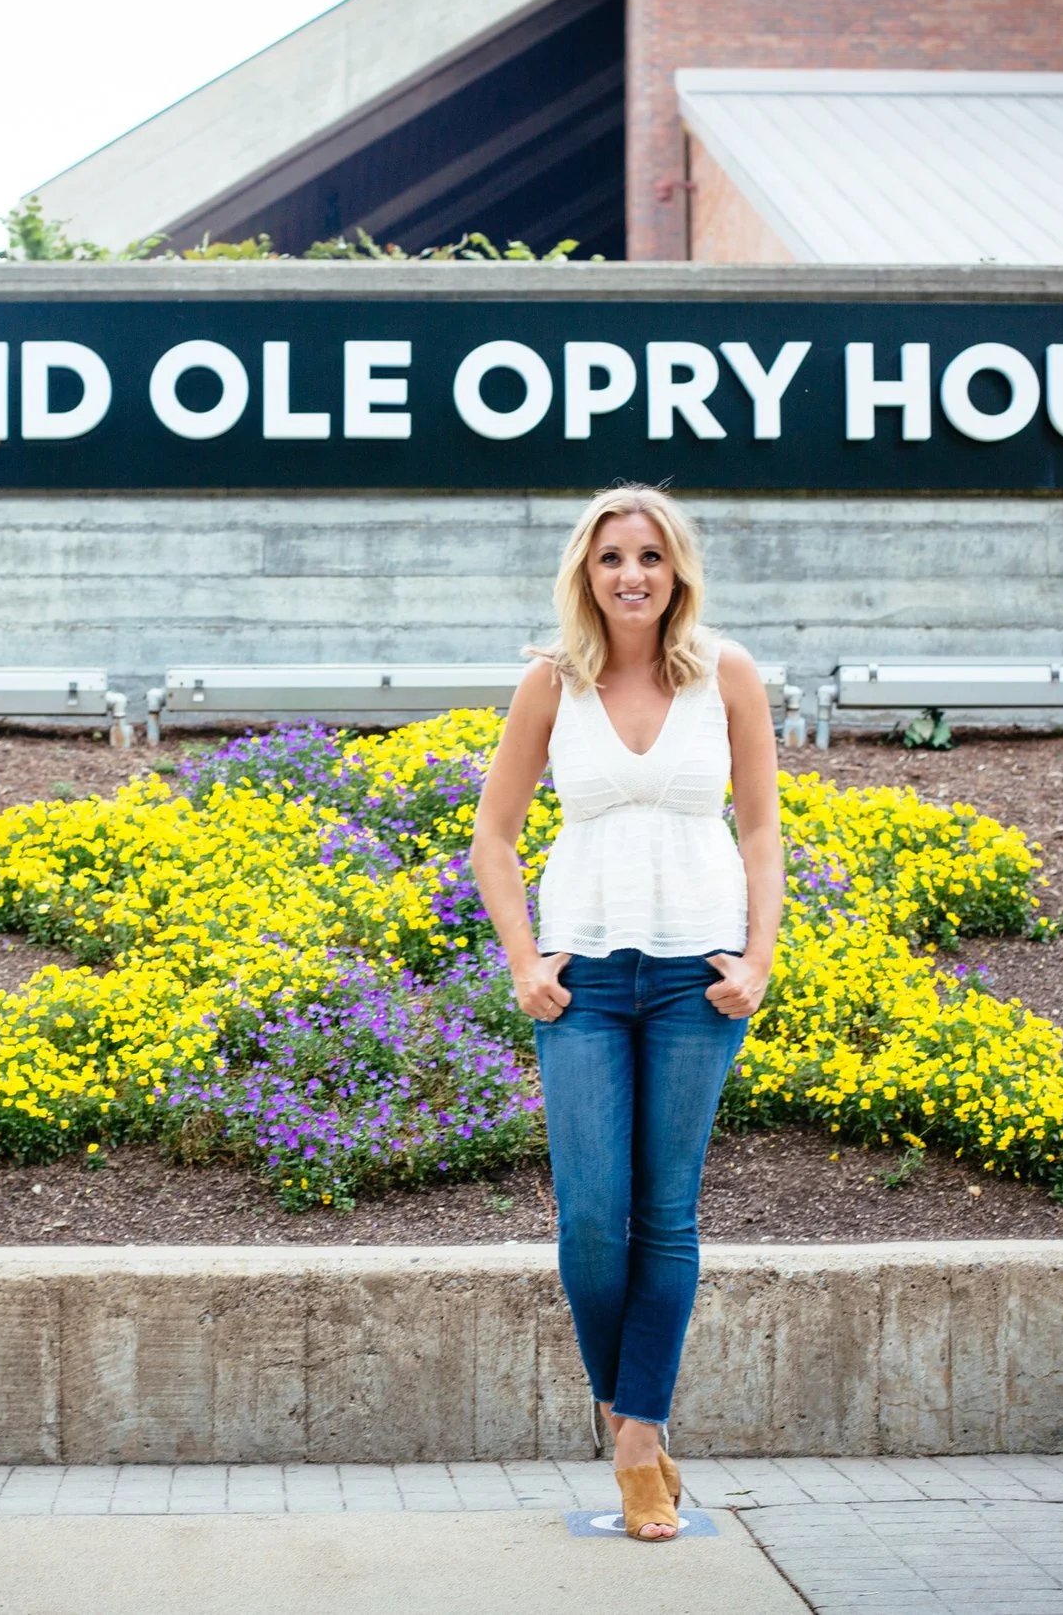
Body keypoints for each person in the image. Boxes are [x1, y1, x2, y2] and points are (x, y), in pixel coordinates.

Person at [469, 485, 783, 1542]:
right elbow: (494, 837)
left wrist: (759, 956)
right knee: (594, 1220)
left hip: (700, 980)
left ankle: (637, 1439)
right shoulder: (551, 683)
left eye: (650, 556)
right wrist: (523, 961)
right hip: (584, 981)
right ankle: (628, 1404)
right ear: (585, 573)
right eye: (611, 558)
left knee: (667, 1215)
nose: (631, 574)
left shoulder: (725, 674)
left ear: (677, 569)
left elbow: (761, 830)